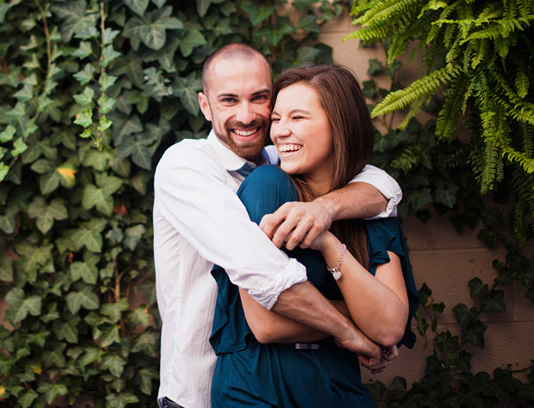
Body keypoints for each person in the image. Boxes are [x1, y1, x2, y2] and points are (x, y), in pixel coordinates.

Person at [153, 44, 403, 408]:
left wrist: (324, 208)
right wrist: (357, 330)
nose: (247, 115)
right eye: (228, 100)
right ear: (205, 106)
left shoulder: (280, 158)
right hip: (197, 392)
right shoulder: (186, 165)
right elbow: (263, 275)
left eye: (259, 98)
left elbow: (384, 187)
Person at [209, 64, 419, 407]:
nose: (280, 132)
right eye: (277, 119)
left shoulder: (369, 209)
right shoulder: (268, 187)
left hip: (340, 389)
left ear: (340, 125)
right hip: (260, 389)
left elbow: (390, 329)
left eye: (297, 118)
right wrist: (358, 322)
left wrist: (326, 241)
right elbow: (266, 323)